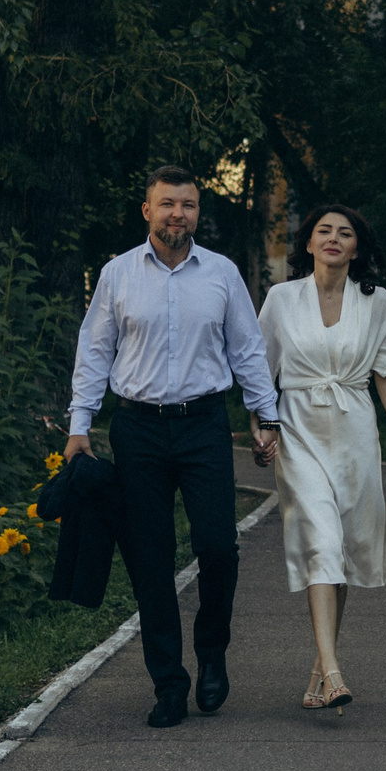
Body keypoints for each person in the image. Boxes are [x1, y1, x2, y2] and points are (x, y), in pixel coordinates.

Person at [67, 167, 280, 727]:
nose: (177, 214)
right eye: (167, 204)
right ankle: (168, 683)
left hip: (204, 424)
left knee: (218, 548)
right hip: (137, 429)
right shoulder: (117, 275)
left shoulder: (222, 274)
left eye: (187, 205)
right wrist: (79, 424)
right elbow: (94, 351)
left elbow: (248, 350)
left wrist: (267, 416)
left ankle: (212, 656)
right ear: (147, 211)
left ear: (197, 212)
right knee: (150, 559)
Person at [256, 203, 386, 712]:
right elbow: (258, 371)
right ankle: (334, 671)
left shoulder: (378, 303)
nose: (333, 239)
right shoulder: (282, 299)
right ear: (308, 244)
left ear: (356, 247)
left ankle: (317, 672)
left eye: (344, 233)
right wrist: (259, 428)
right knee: (320, 541)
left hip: (354, 432)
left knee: (342, 552)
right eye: (323, 231)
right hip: (298, 431)